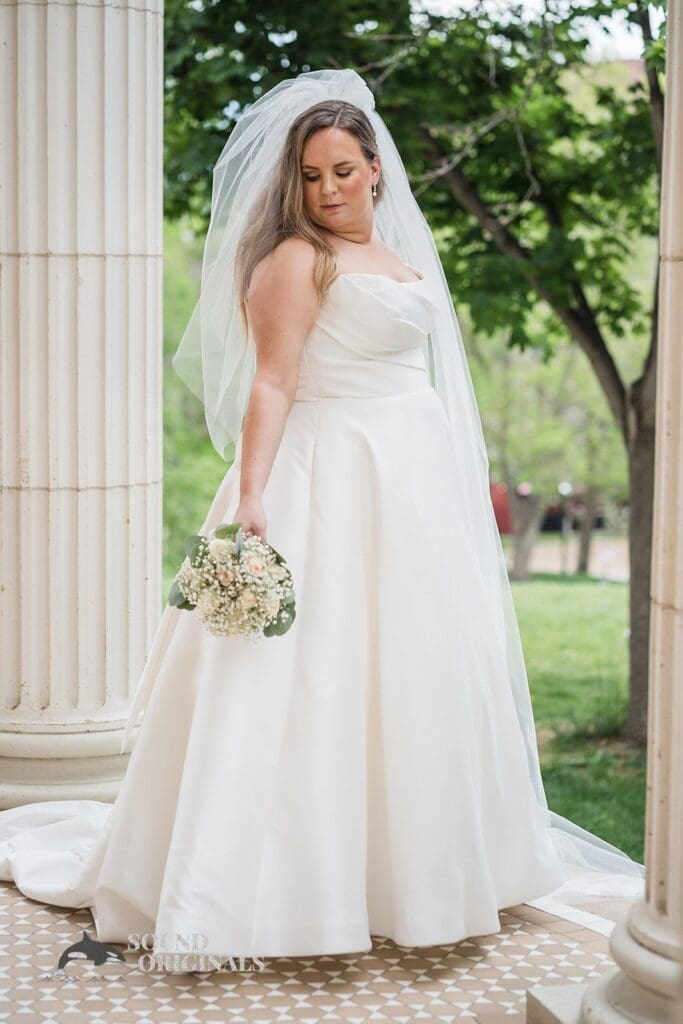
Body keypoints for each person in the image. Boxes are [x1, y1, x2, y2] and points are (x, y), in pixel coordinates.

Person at [0, 68, 643, 967]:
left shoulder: (400, 258)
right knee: (305, 678)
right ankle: (281, 885)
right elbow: (272, 382)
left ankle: (416, 874)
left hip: (409, 487)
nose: (328, 189)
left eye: (342, 170)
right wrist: (252, 495)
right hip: (325, 475)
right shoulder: (296, 261)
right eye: (310, 176)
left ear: (375, 168)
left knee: (411, 673)